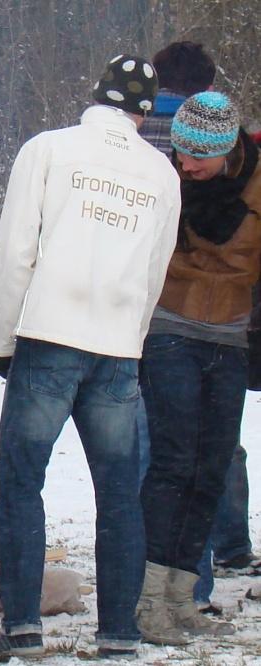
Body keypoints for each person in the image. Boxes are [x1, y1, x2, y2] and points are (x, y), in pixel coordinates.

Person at [0, 54, 181, 660]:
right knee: (119, 495)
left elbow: (13, 255)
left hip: (48, 337)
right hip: (117, 349)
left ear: (94, 96)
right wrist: (134, 341)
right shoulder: (162, 176)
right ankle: (118, 632)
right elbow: (153, 276)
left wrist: (4, 339)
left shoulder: (48, 149)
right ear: (145, 116)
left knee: (20, 485)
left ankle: (22, 629)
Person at [136, 92, 261, 643]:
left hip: (231, 338)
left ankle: (182, 596)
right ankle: (147, 601)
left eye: (196, 157)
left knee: (212, 467)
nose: (184, 164)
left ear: (226, 149)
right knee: (173, 463)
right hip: (170, 331)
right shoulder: (165, 182)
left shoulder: (256, 187)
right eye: (180, 153)